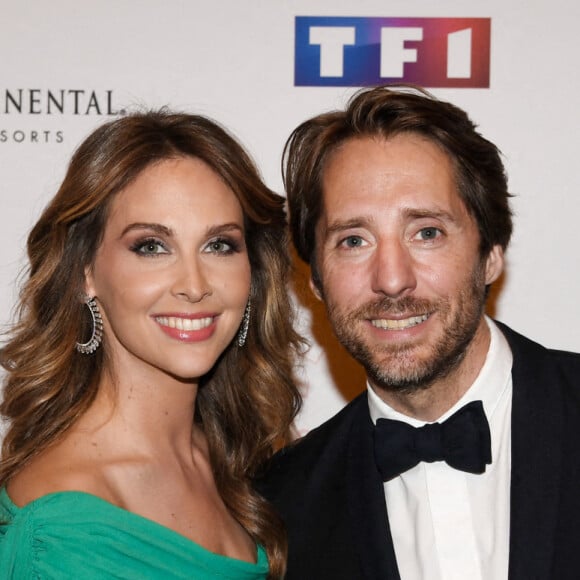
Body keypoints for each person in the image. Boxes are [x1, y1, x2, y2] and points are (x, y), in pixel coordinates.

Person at [258, 86, 580, 579]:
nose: (391, 279)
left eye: (426, 232)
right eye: (353, 240)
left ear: (491, 252)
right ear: (316, 281)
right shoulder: (281, 506)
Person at [0, 111, 302, 579]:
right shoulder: (62, 535)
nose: (194, 284)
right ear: (85, 274)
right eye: (151, 247)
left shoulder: (249, 457)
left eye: (220, 245)